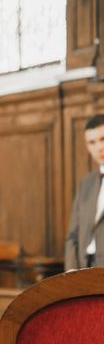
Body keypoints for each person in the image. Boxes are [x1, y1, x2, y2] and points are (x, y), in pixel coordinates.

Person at [65, 114, 104, 270]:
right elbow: (72, 236)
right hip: (83, 272)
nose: (99, 147)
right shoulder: (85, 183)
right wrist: (71, 271)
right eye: (92, 142)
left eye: (103, 139)